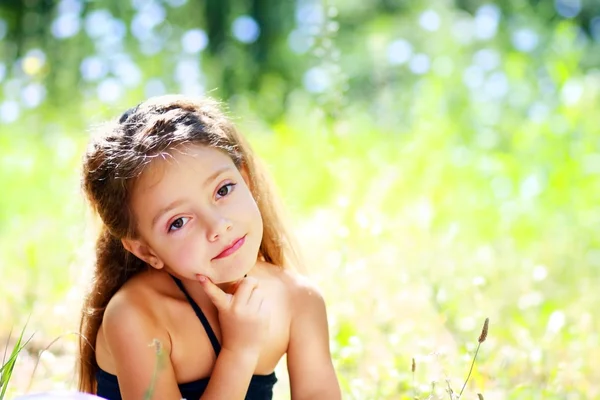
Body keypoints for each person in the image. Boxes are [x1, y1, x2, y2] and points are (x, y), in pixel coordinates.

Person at [76, 95, 341, 400]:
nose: (218, 226)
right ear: (146, 251)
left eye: (223, 190)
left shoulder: (297, 300)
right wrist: (239, 351)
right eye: (178, 222)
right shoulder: (135, 316)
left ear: (246, 181)